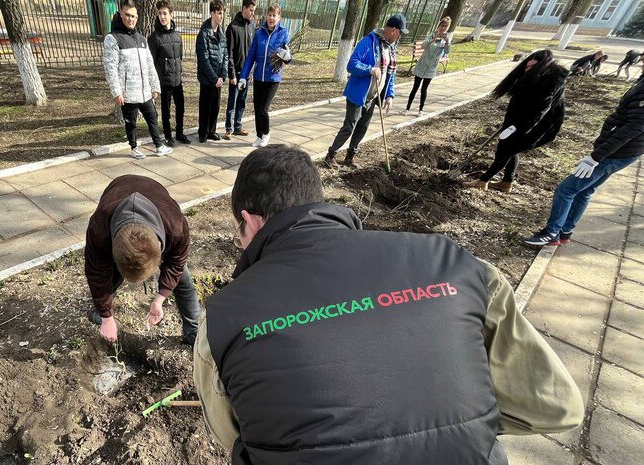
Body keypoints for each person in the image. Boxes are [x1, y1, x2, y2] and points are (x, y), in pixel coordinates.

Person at [194, 145, 584, 464]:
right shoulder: (460, 268)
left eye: (238, 231)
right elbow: (555, 407)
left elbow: (233, 436)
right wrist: (461, 419)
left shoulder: (226, 316)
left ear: (250, 220)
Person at [524, 65, 644, 246]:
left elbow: (633, 128)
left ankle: (552, 233)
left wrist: (596, 157)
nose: (641, 59)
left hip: (616, 152)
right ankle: (565, 231)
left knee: (566, 190)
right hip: (625, 152)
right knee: (585, 190)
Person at [85, 174, 201, 345]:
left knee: (182, 278)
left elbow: (176, 264)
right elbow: (96, 274)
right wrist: (106, 317)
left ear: (161, 252)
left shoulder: (176, 227)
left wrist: (160, 298)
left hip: (155, 194)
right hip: (118, 189)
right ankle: (102, 309)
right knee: (108, 276)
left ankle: (193, 328)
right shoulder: (99, 229)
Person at [463, 50, 568, 192]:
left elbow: (540, 111)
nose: (527, 69)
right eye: (526, 66)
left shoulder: (550, 82)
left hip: (535, 127)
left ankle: (483, 181)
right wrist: (510, 124)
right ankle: (506, 182)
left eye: (531, 67)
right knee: (511, 150)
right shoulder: (535, 77)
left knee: (505, 151)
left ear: (542, 67)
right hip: (519, 121)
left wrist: (516, 128)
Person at [323, 14, 406, 168]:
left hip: (374, 96)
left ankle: (350, 156)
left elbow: (390, 74)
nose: (400, 36)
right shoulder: (369, 42)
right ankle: (331, 154)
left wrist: (389, 95)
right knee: (350, 126)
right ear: (393, 30)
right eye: (401, 32)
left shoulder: (391, 48)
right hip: (358, 94)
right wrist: (370, 69)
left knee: (363, 128)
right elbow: (352, 64)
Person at [103, 0, 173, 160]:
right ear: (121, 14)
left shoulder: (141, 39)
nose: (130, 19)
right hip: (128, 92)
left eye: (133, 16)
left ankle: (158, 145)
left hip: (145, 91)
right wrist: (116, 91)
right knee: (131, 122)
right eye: (127, 15)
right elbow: (110, 67)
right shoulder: (112, 38)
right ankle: (134, 147)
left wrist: (154, 86)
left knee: (153, 117)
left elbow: (149, 64)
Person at [237, 4, 292, 148]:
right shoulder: (259, 33)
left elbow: (286, 56)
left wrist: (287, 57)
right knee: (257, 107)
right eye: (269, 15)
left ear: (279, 18)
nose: (271, 18)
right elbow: (251, 57)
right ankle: (259, 135)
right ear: (266, 16)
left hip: (273, 78)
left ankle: (266, 134)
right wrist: (243, 76)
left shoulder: (283, 33)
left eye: (274, 15)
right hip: (258, 77)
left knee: (263, 109)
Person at [148, 0, 191, 147]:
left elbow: (179, 57)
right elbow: (151, 62)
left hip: (177, 80)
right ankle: (168, 136)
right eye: (160, 13)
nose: (162, 16)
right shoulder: (154, 38)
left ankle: (179, 133)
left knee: (181, 108)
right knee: (166, 111)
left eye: (165, 13)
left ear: (171, 14)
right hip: (164, 81)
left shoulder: (177, 36)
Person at [404, 16, 451, 118]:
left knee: (424, 89)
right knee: (415, 87)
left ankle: (421, 109)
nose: (443, 28)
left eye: (445, 26)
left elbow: (447, 52)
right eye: (442, 25)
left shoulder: (446, 39)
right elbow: (423, 46)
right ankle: (407, 108)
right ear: (439, 26)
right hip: (422, 65)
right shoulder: (431, 35)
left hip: (431, 68)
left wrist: (447, 41)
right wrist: (433, 39)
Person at [196, 0, 228, 143]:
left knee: (215, 107)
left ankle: (211, 131)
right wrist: (214, 78)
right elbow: (204, 59)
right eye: (219, 13)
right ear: (212, 13)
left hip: (218, 79)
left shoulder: (222, 34)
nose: (221, 16)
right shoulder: (204, 34)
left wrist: (223, 75)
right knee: (205, 106)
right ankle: (203, 132)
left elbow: (225, 56)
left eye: (223, 13)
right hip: (208, 79)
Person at [224, 0, 256, 141]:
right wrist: (232, 73)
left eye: (254, 10)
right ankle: (228, 129)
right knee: (232, 101)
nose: (253, 13)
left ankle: (238, 126)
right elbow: (229, 53)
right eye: (251, 10)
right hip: (236, 74)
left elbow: (253, 52)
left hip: (247, 74)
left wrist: (252, 71)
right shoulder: (233, 27)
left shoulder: (252, 27)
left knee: (242, 101)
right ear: (244, 8)